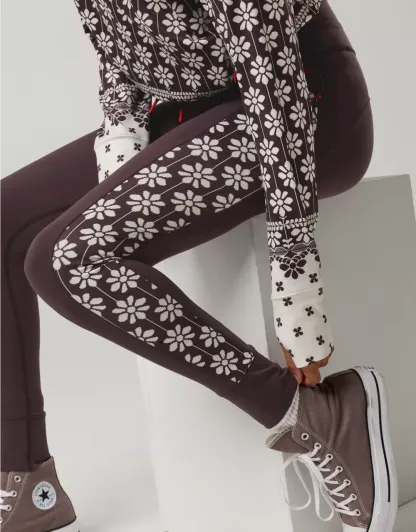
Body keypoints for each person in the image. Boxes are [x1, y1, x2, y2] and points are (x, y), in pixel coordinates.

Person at [0, 1, 397, 531]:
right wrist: (120, 169)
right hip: (194, 115)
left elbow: (274, 85)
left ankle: (317, 416)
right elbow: (117, 43)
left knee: (68, 260)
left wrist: (297, 288)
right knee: (6, 220)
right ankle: (24, 479)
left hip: (301, 105)